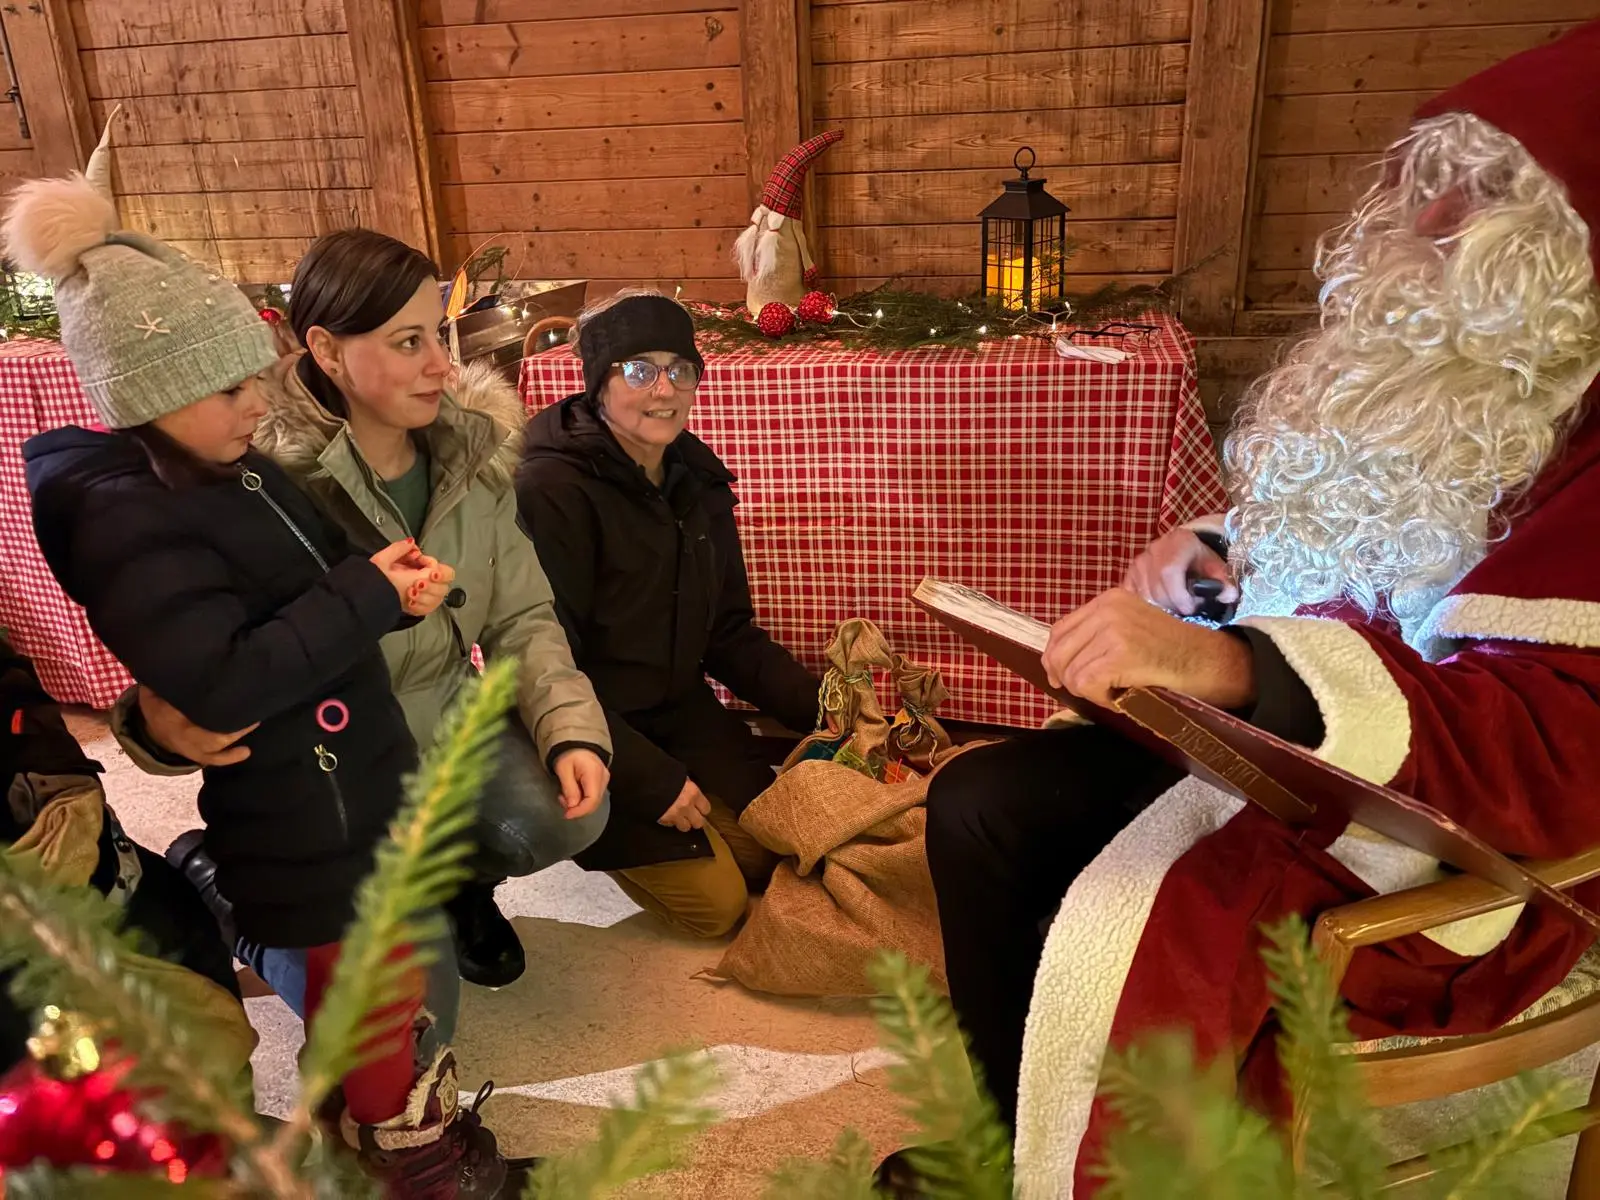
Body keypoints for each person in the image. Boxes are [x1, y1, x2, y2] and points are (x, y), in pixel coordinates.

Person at [888, 22, 1600, 1198]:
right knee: (980, 798)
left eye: (1484, 201)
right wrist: (1228, 558)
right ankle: (1002, 1136)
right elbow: (1391, 540)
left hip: (1461, 839)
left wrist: (1233, 671)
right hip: (1331, 750)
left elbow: (1551, 751)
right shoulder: (1469, 376)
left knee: (1142, 891)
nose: (1427, 233)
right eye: (1430, 188)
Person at [10, 174, 525, 1196]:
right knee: (368, 986)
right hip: (299, 804)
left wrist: (389, 573)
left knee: (390, 972)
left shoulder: (232, 460)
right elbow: (222, 674)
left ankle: (362, 1097)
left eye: (256, 380)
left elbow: (320, 556)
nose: (259, 403)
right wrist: (369, 603)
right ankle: (399, 1147)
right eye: (231, 388)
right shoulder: (130, 520)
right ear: (150, 395)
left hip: (351, 776)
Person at [113, 229, 614, 993]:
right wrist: (158, 724)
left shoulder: (473, 460)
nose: (443, 364)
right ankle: (224, 882)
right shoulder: (263, 488)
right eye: (408, 341)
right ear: (328, 349)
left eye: (439, 335)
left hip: (446, 722)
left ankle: (451, 886)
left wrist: (569, 729)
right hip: (330, 769)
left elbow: (523, 616)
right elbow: (199, 652)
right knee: (398, 1017)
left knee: (571, 813)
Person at [515, 290, 822, 937]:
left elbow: (728, 633)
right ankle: (589, 830)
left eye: (680, 369)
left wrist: (824, 709)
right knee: (717, 908)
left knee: (777, 852)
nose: (665, 389)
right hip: (593, 729)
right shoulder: (551, 490)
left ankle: (699, 812)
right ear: (600, 381)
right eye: (639, 369)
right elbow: (548, 666)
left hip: (679, 710)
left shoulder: (696, 479)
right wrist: (651, 782)